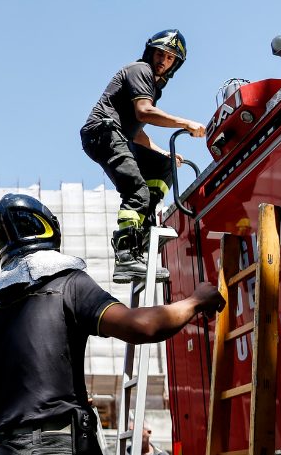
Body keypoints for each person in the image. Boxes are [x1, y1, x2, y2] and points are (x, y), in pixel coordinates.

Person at [0, 194, 224, 455]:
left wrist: (17, 408)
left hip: (3, 445)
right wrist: (196, 301)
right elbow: (141, 326)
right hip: (62, 444)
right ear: (47, 228)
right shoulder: (68, 284)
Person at [80, 30, 207, 283]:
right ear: (151, 52)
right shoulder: (141, 71)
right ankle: (126, 256)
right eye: (160, 54)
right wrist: (186, 123)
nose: (163, 61)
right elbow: (144, 112)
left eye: (170, 58)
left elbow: (136, 132)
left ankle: (144, 228)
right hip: (103, 133)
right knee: (137, 191)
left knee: (164, 164)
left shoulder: (152, 86)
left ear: (175, 64)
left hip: (118, 134)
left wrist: (163, 152)